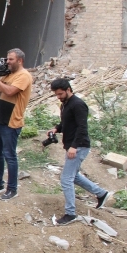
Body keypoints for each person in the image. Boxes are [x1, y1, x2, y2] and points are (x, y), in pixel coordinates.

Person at [47, 78, 109, 225]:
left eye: (61, 94)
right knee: (73, 177)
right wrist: (56, 128)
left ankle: (70, 213)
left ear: (68, 89)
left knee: (66, 179)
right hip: (72, 145)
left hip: (79, 146)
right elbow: (66, 122)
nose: (59, 97)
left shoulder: (78, 104)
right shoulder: (66, 104)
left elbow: (82, 128)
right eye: (57, 95)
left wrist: (74, 146)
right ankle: (101, 193)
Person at [0, 48, 33, 200]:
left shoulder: (24, 76)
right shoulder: (6, 73)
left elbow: (10, 91)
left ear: (20, 60)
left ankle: (12, 188)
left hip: (11, 121)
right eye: (7, 59)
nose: (7, 62)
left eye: (11, 59)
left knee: (9, 156)